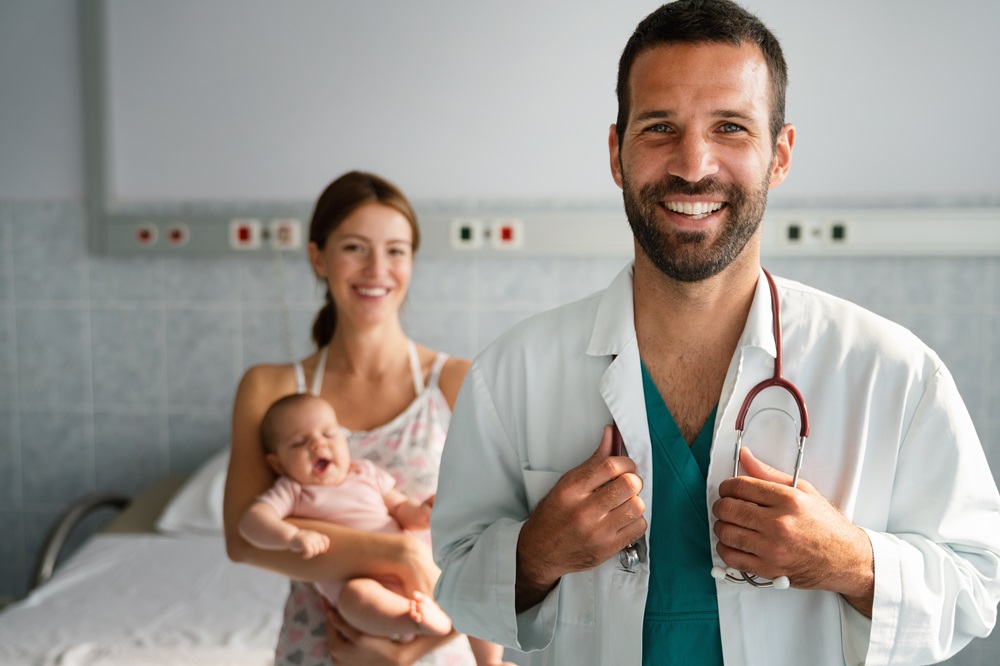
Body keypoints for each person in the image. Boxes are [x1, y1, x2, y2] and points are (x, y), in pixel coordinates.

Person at [430, 1, 1000, 665]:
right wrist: (534, 556)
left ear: (779, 154)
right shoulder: (511, 376)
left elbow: (977, 587)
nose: (692, 164)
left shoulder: (893, 371)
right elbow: (457, 585)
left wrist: (847, 561)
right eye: (659, 128)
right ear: (616, 154)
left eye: (730, 128)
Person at [224, 170, 480, 666]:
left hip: (432, 645)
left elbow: (494, 541)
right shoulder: (271, 390)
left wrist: (406, 653)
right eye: (355, 248)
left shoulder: (455, 382)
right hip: (318, 646)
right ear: (318, 256)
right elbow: (244, 540)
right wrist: (396, 554)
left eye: (396, 250)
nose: (377, 269)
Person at [239, 393, 510, 665]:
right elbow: (251, 522)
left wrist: (422, 514)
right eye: (299, 442)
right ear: (278, 464)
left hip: (419, 574)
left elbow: (400, 508)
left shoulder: (364, 473)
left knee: (473, 587)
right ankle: (413, 619)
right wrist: (291, 536)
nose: (318, 443)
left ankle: (490, 661)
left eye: (329, 434)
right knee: (355, 598)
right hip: (367, 589)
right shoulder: (294, 491)